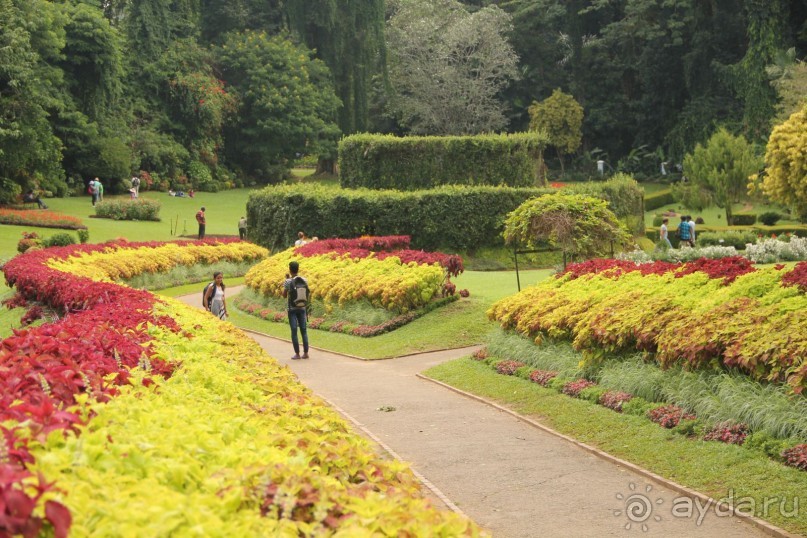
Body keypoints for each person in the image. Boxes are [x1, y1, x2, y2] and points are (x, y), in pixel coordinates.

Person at [283, 261, 310, 360]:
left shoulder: (288, 281)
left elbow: (284, 295)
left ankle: (297, 354)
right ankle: (306, 353)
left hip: (292, 309)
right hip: (302, 307)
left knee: (294, 331)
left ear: (290, 270)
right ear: (298, 269)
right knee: (304, 331)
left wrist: (287, 280)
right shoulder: (304, 280)